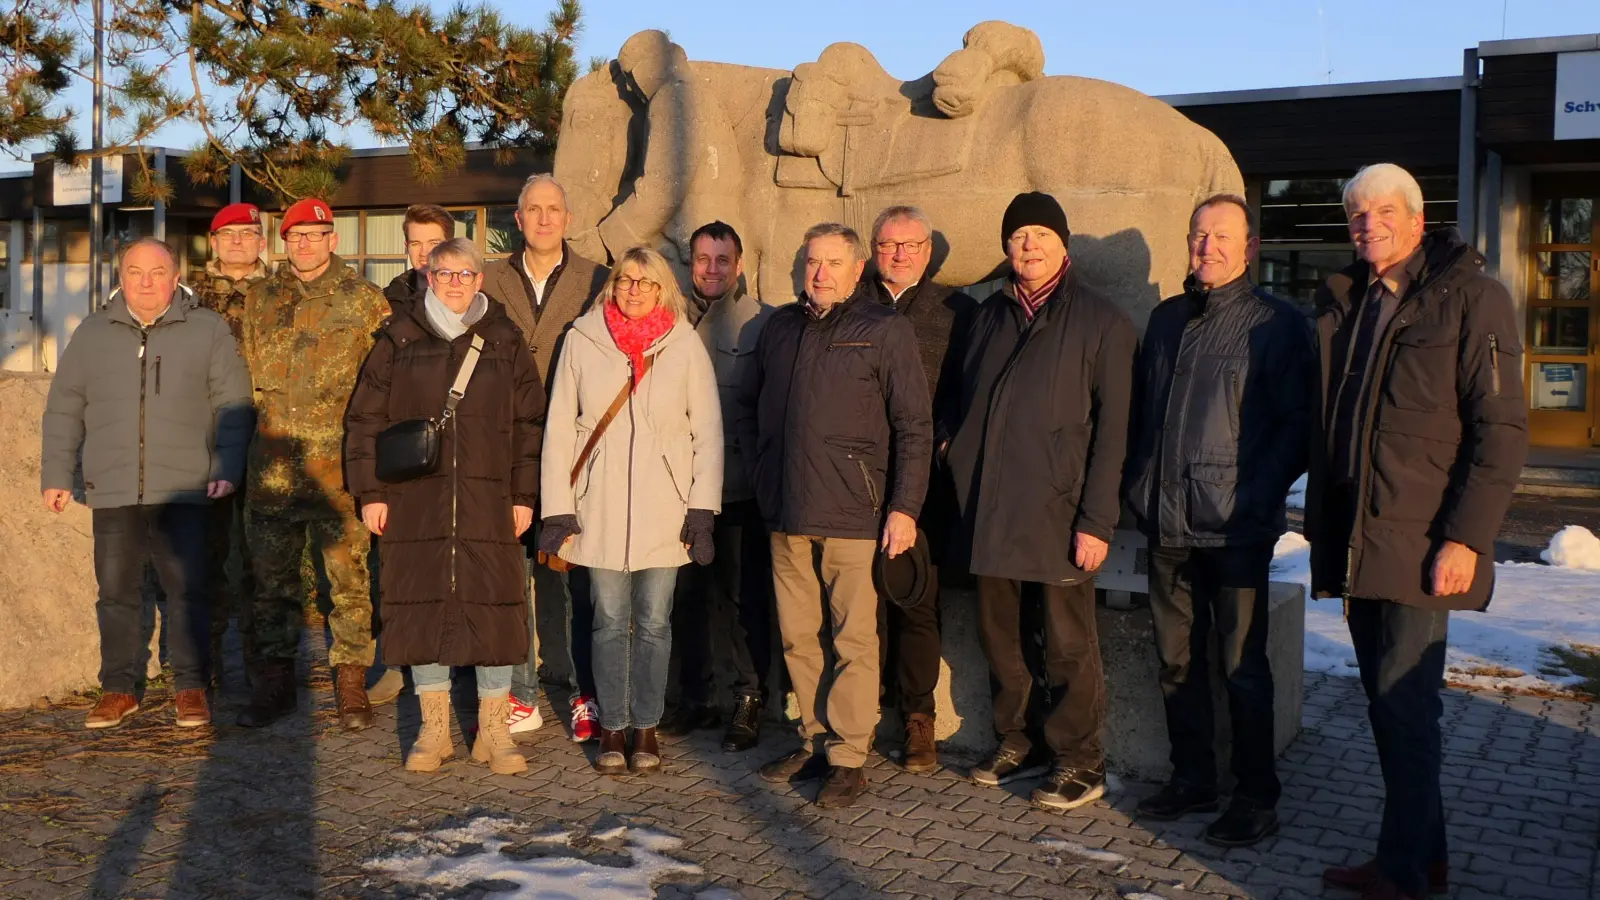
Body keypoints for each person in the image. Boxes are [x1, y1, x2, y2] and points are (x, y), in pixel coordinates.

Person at [1309, 164, 1527, 900]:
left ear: (1416, 217)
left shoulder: (1473, 300)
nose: (1367, 224)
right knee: (1387, 704)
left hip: (1424, 539)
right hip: (1362, 535)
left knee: (1406, 707)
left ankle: (1403, 873)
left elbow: (1501, 432)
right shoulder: (1351, 301)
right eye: (1356, 215)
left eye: (1382, 212)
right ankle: (1422, 857)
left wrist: (1466, 538)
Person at [1122, 194, 1314, 846]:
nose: (1209, 247)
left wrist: (1255, 497)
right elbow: (1143, 415)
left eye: (1223, 236)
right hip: (1167, 524)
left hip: (1235, 529)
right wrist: (1138, 485)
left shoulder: (1276, 325)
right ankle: (1193, 777)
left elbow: (1297, 428)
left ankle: (1257, 797)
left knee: (1241, 667)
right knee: (1176, 663)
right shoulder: (1166, 319)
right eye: (1200, 235)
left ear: (1250, 248)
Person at [942, 191, 1135, 811]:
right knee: (999, 635)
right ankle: (1016, 742)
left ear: (1064, 245)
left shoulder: (1103, 322)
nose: (1029, 245)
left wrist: (1097, 519)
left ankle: (1080, 759)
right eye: (1019, 235)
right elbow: (961, 392)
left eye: (1041, 235)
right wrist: (953, 447)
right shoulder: (990, 314)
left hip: (1059, 511)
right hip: (991, 505)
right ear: (1006, 246)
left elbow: (1116, 433)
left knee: (1066, 642)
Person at [737, 223, 932, 809]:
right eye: (812, 262)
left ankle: (848, 755)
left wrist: (904, 507)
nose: (820, 273)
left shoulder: (884, 330)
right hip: (786, 508)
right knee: (799, 637)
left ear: (856, 270)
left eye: (832, 263)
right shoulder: (778, 328)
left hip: (854, 511)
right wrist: (763, 471)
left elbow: (914, 427)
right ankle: (814, 739)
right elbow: (747, 406)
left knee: (853, 638)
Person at [345, 238, 546, 774]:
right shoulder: (398, 338)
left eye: (465, 273)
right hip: (415, 498)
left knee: (496, 609)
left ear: (480, 279)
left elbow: (530, 426)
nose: (455, 282)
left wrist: (525, 496)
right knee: (421, 606)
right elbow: (365, 421)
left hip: (491, 498)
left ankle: (495, 733)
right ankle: (434, 731)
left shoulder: (505, 340)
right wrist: (371, 493)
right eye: (444, 273)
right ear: (428, 277)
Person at [41, 238, 253, 730]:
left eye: (156, 272)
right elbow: (64, 408)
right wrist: (56, 474)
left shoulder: (206, 329)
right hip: (113, 487)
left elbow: (233, 404)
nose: (145, 282)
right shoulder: (93, 332)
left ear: (174, 276)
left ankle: (191, 687)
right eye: (134, 272)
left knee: (188, 592)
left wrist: (225, 466)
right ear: (120, 277)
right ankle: (118, 688)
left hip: (183, 488)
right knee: (115, 592)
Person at [537, 246, 722, 776]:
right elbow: (558, 431)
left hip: (666, 509)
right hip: (599, 506)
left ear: (663, 288)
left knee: (655, 622)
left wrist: (701, 512)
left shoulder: (684, 345)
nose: (634, 290)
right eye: (625, 280)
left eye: (646, 282)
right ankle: (613, 727)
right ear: (612, 285)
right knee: (609, 621)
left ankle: (647, 725)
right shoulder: (582, 340)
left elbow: (707, 433)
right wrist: (559, 510)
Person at [237, 197, 391, 730]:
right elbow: (244, 378)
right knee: (272, 585)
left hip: (339, 474)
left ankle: (351, 684)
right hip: (273, 474)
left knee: (348, 583)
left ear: (333, 239)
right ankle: (276, 684)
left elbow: (382, 388)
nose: (303, 244)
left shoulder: (366, 302)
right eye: (294, 235)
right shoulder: (259, 300)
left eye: (313, 234)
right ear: (284, 242)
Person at [483, 173, 610, 741]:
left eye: (553, 209)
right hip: (504, 446)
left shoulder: (598, 281)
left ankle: (586, 692)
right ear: (518, 216)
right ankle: (521, 693)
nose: (542, 218)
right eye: (532, 208)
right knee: (509, 576)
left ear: (568, 217)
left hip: (574, 450)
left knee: (575, 575)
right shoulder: (487, 277)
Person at [658, 222, 778, 751]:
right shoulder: (665, 319)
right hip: (678, 491)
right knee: (686, 599)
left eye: (722, 260)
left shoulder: (763, 324)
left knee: (742, 601)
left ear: (740, 264)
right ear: (689, 264)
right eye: (702, 259)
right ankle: (695, 698)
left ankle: (749, 700)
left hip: (739, 488)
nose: (711, 269)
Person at [866, 204, 976, 774]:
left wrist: (943, 445)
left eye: (911, 245)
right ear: (873, 249)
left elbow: (968, 393)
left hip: (925, 486)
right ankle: (859, 713)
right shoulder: (851, 306)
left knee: (916, 603)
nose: (900, 254)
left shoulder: (956, 313)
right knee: (861, 607)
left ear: (928, 252)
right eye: (889, 245)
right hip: (856, 484)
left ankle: (918, 719)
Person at [192, 202, 269, 683]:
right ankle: (207, 666)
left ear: (263, 241)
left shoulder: (284, 291)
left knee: (263, 564)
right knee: (206, 559)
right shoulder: (186, 295)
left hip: (268, 443)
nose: (238, 241)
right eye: (228, 234)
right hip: (204, 443)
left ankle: (263, 668)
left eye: (248, 233)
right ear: (213, 242)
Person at [383, 204, 454, 316]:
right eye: (415, 244)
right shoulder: (387, 300)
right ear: (406, 247)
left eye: (433, 243)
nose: (424, 252)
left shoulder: (473, 301)